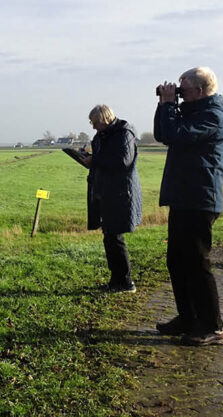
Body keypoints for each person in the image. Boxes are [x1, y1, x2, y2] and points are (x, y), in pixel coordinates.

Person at [153, 67, 223, 346]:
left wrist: (168, 105)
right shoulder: (194, 111)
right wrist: (165, 104)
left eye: (182, 89)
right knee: (177, 261)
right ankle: (188, 317)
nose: (179, 93)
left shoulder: (213, 116)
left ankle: (213, 325)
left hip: (200, 198)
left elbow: (176, 134)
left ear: (199, 91)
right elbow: (163, 133)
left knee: (197, 264)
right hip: (183, 197)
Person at [62, 104, 142, 294]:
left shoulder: (124, 134)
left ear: (105, 119)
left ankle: (125, 282)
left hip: (120, 192)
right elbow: (104, 159)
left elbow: (123, 161)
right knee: (109, 237)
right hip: (105, 191)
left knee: (115, 237)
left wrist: (95, 160)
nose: (93, 126)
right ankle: (117, 280)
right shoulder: (101, 137)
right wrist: (87, 158)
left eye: (95, 122)